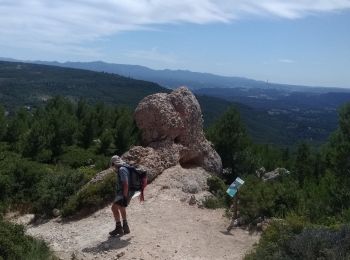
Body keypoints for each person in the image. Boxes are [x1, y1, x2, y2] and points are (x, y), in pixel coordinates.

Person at [109, 155, 134, 236]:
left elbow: (125, 183)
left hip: (123, 193)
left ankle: (119, 228)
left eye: (112, 165)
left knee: (114, 208)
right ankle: (125, 227)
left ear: (114, 164)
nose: (113, 167)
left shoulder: (121, 169)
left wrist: (124, 196)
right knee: (121, 207)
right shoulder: (125, 167)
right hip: (128, 192)